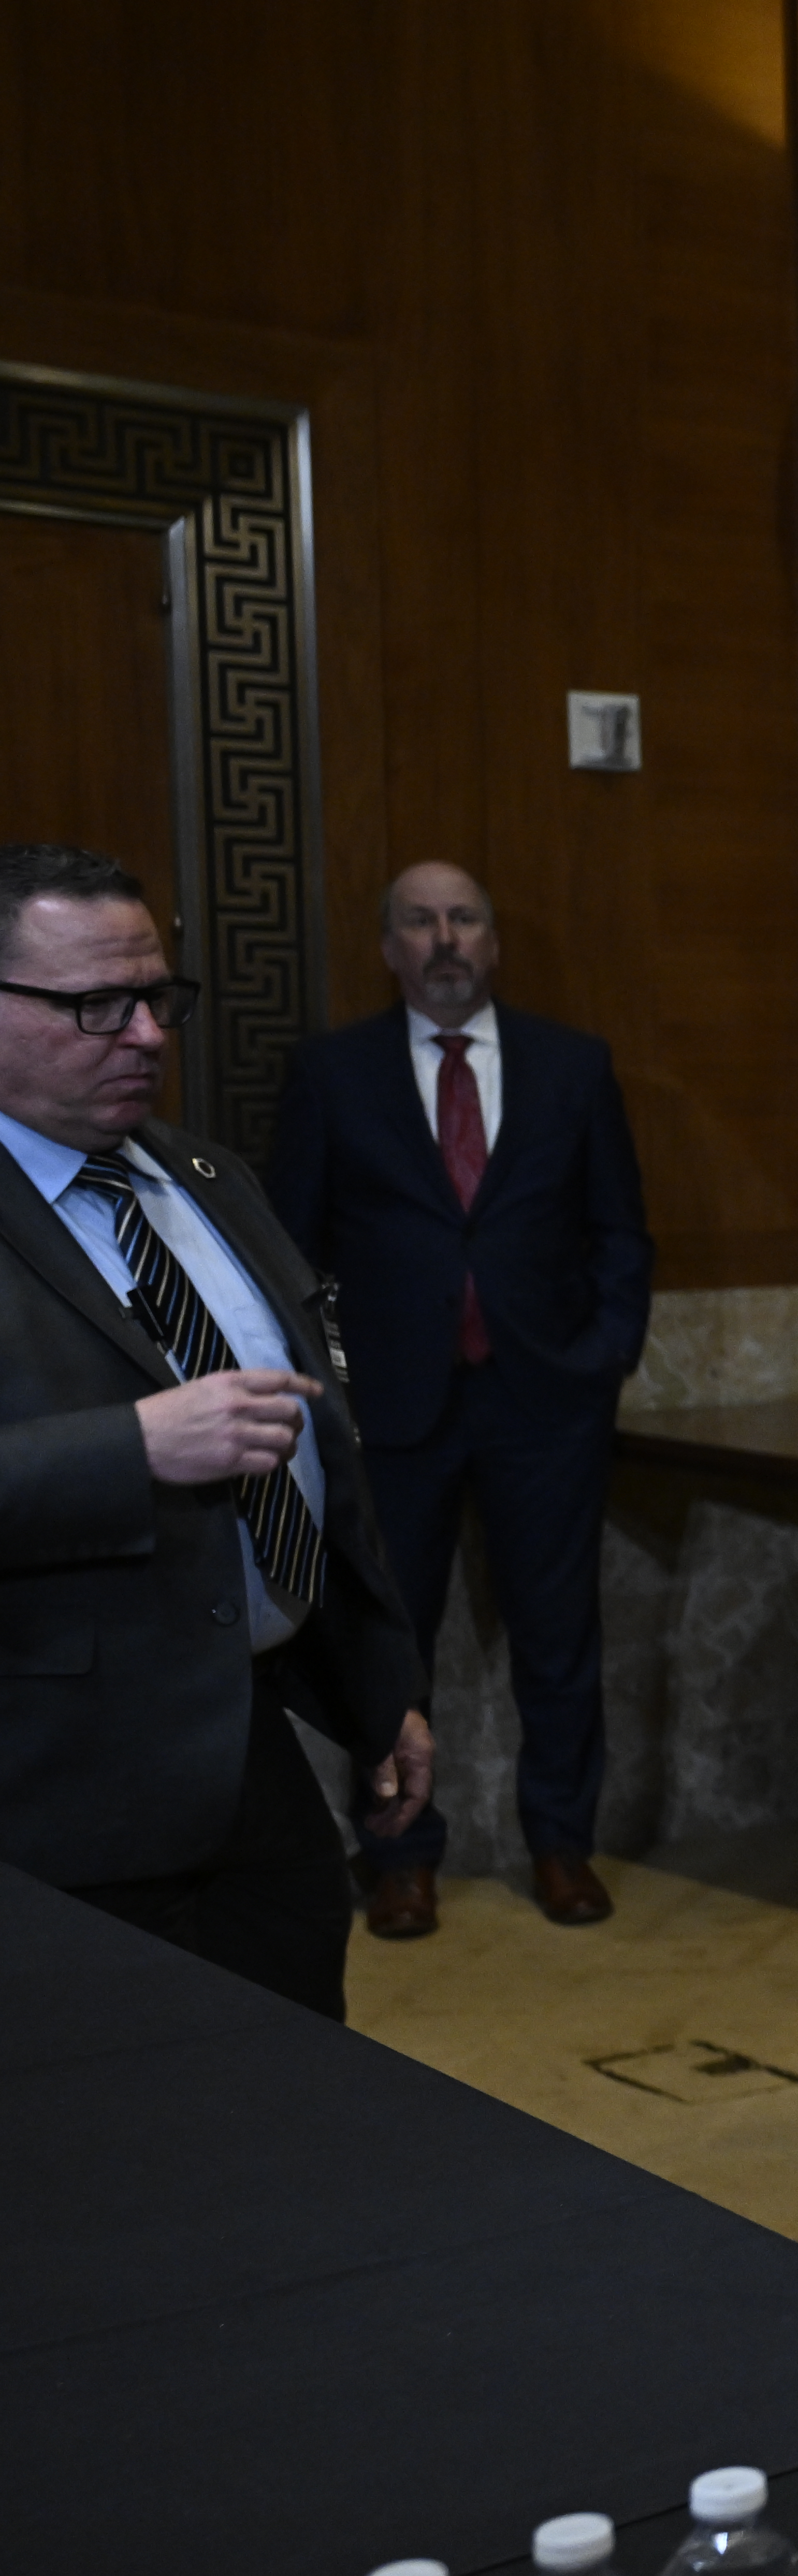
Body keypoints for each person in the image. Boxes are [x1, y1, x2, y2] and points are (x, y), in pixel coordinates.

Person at [0, 842, 433, 2016]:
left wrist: (373, 1687)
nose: (144, 1034)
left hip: (253, 1760)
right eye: (95, 1004)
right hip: (55, 1793)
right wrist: (129, 1449)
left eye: (157, 998)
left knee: (295, 2121)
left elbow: (313, 1445)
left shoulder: (206, 1178)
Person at [267, 859, 650, 1937]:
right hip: (391, 1414)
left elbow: (621, 1229)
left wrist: (606, 1352)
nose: (444, 939)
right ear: (389, 948)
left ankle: (562, 1843)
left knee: (560, 1636)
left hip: (547, 1402)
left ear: (493, 939)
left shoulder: (574, 1067)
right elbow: (289, 1252)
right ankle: (400, 1855)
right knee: (392, 1642)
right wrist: (327, 1392)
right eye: (420, 922)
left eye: (464, 918)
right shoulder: (333, 1074)